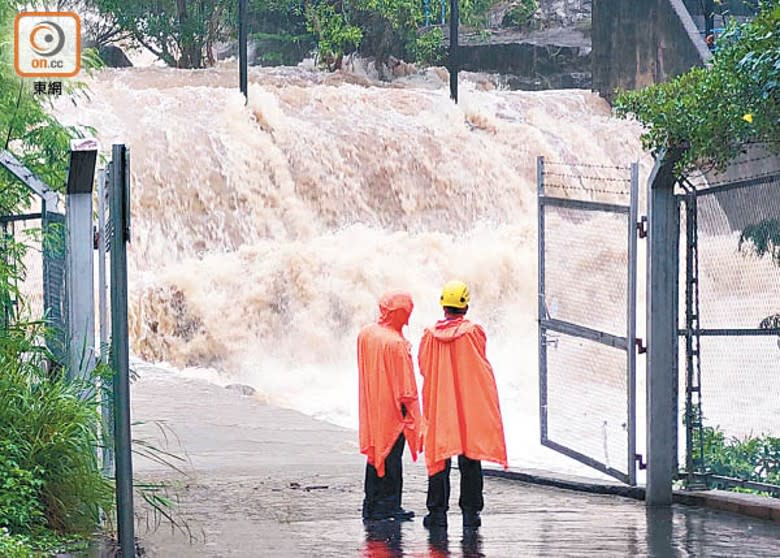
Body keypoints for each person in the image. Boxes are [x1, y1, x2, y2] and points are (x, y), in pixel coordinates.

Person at [418, 280, 508, 530]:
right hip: (468, 405)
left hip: (440, 405)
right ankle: (471, 512)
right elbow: (480, 363)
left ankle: (436, 512)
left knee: (439, 457)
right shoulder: (473, 332)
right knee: (470, 457)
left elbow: (424, 367)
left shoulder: (429, 335)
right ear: (465, 306)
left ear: (443, 305)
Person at [357, 290, 422, 522]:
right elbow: (406, 390)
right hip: (393, 412)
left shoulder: (366, 334)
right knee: (392, 458)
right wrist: (414, 419)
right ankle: (389, 505)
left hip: (372, 406)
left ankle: (370, 503)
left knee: (375, 454)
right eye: (407, 314)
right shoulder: (396, 344)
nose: (408, 319)